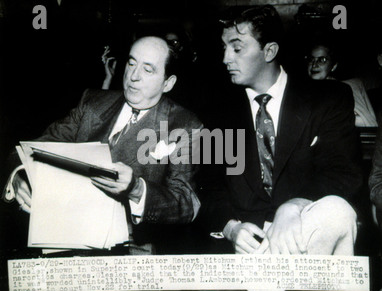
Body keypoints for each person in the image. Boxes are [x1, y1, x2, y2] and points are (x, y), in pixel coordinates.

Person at [2, 36, 203, 255]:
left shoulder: (184, 125)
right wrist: (19, 175)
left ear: (168, 83)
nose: (133, 77)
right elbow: (30, 150)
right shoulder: (92, 102)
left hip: (128, 251)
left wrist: (137, 189)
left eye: (148, 70)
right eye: (131, 63)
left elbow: (186, 204)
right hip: (62, 241)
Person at [204, 4, 363, 263]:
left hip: (304, 233)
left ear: (269, 51)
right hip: (247, 246)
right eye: (224, 48)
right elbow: (209, 187)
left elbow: (344, 173)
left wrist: (295, 204)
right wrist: (232, 228)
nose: (225, 59)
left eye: (236, 48)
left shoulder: (327, 99)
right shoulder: (219, 112)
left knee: (339, 212)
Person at [305, 40, 378, 127]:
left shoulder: (348, 87)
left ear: (333, 66)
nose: (314, 65)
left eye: (322, 60)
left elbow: (367, 123)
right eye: (311, 59)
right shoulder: (300, 92)